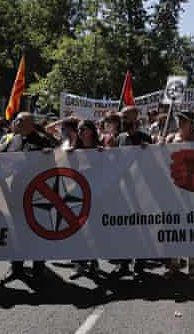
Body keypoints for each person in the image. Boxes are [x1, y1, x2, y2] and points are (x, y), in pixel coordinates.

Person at [0, 112, 58, 284]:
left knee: (37, 229)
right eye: (15, 120)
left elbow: (58, 161)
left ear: (29, 123)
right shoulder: (12, 139)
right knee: (17, 230)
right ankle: (17, 268)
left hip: (37, 194)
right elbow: (0, 154)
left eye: (19, 120)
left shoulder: (44, 140)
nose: (15, 122)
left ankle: (38, 268)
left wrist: (50, 154)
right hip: (17, 190)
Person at [113, 106, 153, 277]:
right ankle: (124, 262)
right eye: (122, 117)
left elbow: (153, 164)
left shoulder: (145, 138)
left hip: (141, 190)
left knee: (141, 226)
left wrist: (148, 151)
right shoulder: (119, 138)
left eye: (126, 117)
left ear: (135, 118)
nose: (123, 120)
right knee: (124, 227)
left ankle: (141, 261)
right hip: (124, 189)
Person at [164, 111, 194, 279]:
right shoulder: (171, 139)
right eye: (179, 119)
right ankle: (174, 263)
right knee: (174, 226)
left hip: (192, 191)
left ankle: (191, 263)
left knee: (191, 226)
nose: (180, 123)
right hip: (174, 190)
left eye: (184, 120)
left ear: (191, 123)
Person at [70, 119, 104, 277]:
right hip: (77, 195)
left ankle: (93, 261)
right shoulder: (72, 149)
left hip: (96, 195)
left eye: (83, 128)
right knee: (78, 229)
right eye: (78, 129)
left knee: (94, 229)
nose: (80, 132)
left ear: (91, 131)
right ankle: (79, 263)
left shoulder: (100, 150)